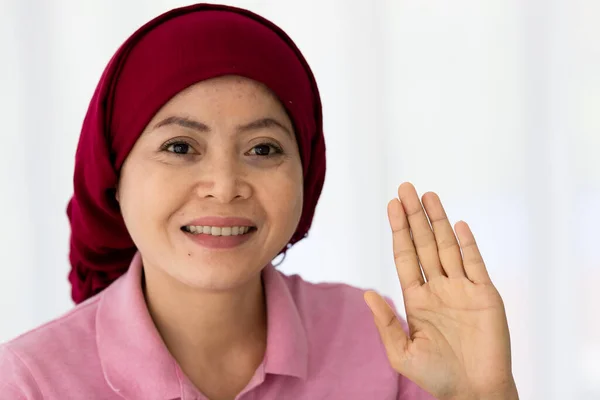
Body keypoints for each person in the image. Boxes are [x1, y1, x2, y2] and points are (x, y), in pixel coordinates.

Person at [0, 3, 519, 400]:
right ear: (113, 175)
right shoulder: (29, 382)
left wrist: (484, 394)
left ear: (306, 174)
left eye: (263, 148)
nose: (225, 185)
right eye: (180, 147)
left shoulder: (380, 344)